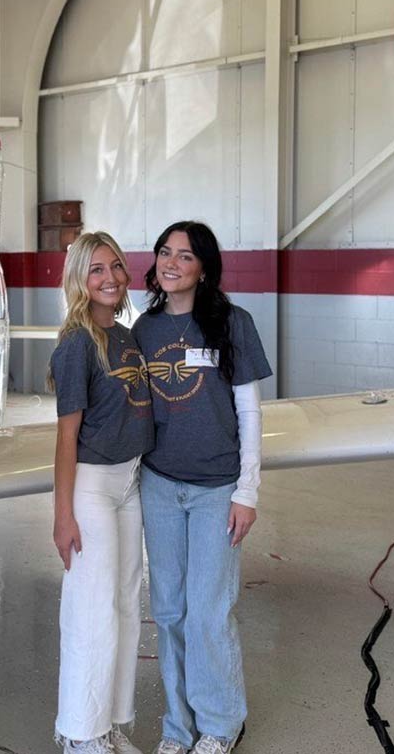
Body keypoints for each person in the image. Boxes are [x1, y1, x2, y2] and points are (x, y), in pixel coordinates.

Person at [131, 222, 272, 754]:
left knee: (208, 611)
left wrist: (247, 491)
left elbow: (249, 411)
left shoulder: (233, 324)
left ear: (204, 269)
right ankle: (178, 727)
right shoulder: (143, 330)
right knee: (168, 611)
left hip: (217, 490)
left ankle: (220, 725)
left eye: (184, 256)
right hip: (160, 486)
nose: (171, 263)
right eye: (165, 253)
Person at [49, 232, 155, 754]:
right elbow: (66, 437)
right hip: (91, 487)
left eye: (115, 266)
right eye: (96, 270)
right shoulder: (76, 343)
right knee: (92, 610)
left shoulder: (127, 338)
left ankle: (110, 722)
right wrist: (62, 515)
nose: (110, 277)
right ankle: (79, 733)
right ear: (79, 280)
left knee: (124, 606)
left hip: (129, 483)